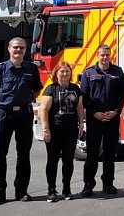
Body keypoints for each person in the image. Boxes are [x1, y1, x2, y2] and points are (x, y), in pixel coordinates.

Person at [0, 37, 43, 206]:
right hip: (3, 115)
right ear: (9, 49)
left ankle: (21, 191)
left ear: (25, 50)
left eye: (22, 48)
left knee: (24, 155)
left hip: (24, 114)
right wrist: (3, 105)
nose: (19, 50)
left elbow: (37, 89)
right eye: (16, 47)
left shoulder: (31, 69)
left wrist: (24, 101)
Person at [79, 44, 124, 197]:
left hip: (112, 119)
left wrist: (116, 111)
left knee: (109, 153)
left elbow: (122, 94)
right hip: (95, 120)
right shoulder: (88, 73)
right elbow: (84, 96)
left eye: (107, 55)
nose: (105, 58)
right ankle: (88, 185)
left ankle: (108, 183)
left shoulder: (117, 72)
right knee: (92, 154)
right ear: (97, 55)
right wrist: (94, 113)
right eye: (102, 55)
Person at [39, 61, 84, 202]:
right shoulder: (51, 89)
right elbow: (44, 110)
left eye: (67, 71)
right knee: (52, 160)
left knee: (68, 161)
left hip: (70, 130)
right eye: (62, 71)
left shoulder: (76, 89)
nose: (65, 74)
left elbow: (80, 108)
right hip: (54, 130)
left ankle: (67, 189)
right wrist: (45, 129)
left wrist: (81, 124)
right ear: (56, 73)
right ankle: (51, 190)